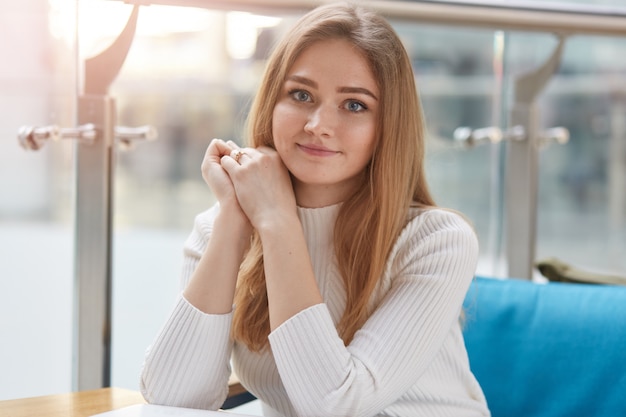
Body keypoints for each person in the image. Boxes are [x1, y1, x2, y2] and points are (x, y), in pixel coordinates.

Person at [140, 2, 490, 417]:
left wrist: (276, 220)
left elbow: (338, 405)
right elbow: (172, 400)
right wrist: (235, 221)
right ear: (272, 103)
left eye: (354, 105)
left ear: (388, 128)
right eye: (301, 95)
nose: (319, 124)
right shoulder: (220, 227)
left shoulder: (437, 241)